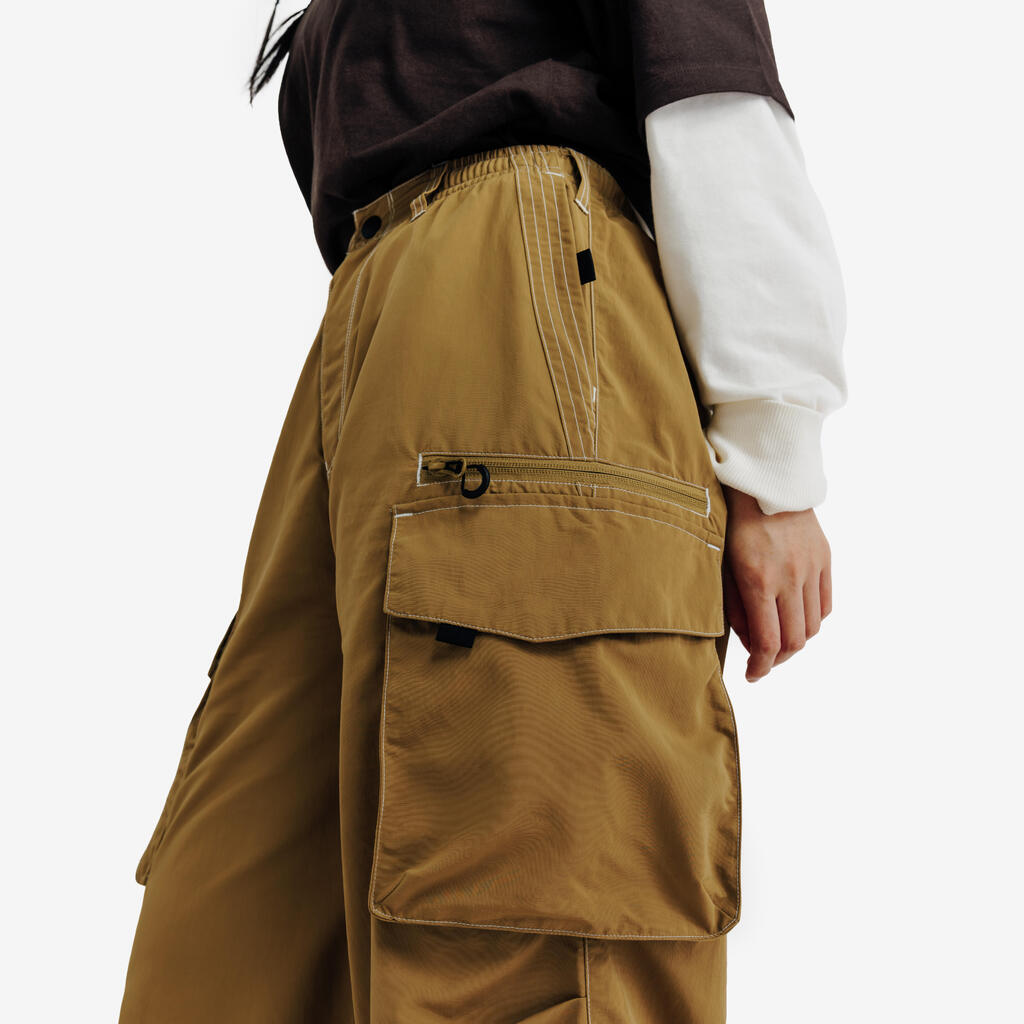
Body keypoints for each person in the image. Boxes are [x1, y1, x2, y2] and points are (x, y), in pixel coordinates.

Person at [118, 2, 847, 1021]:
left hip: (519, 285)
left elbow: (702, 74)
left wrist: (774, 457)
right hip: (378, 327)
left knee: (523, 910)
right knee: (245, 918)